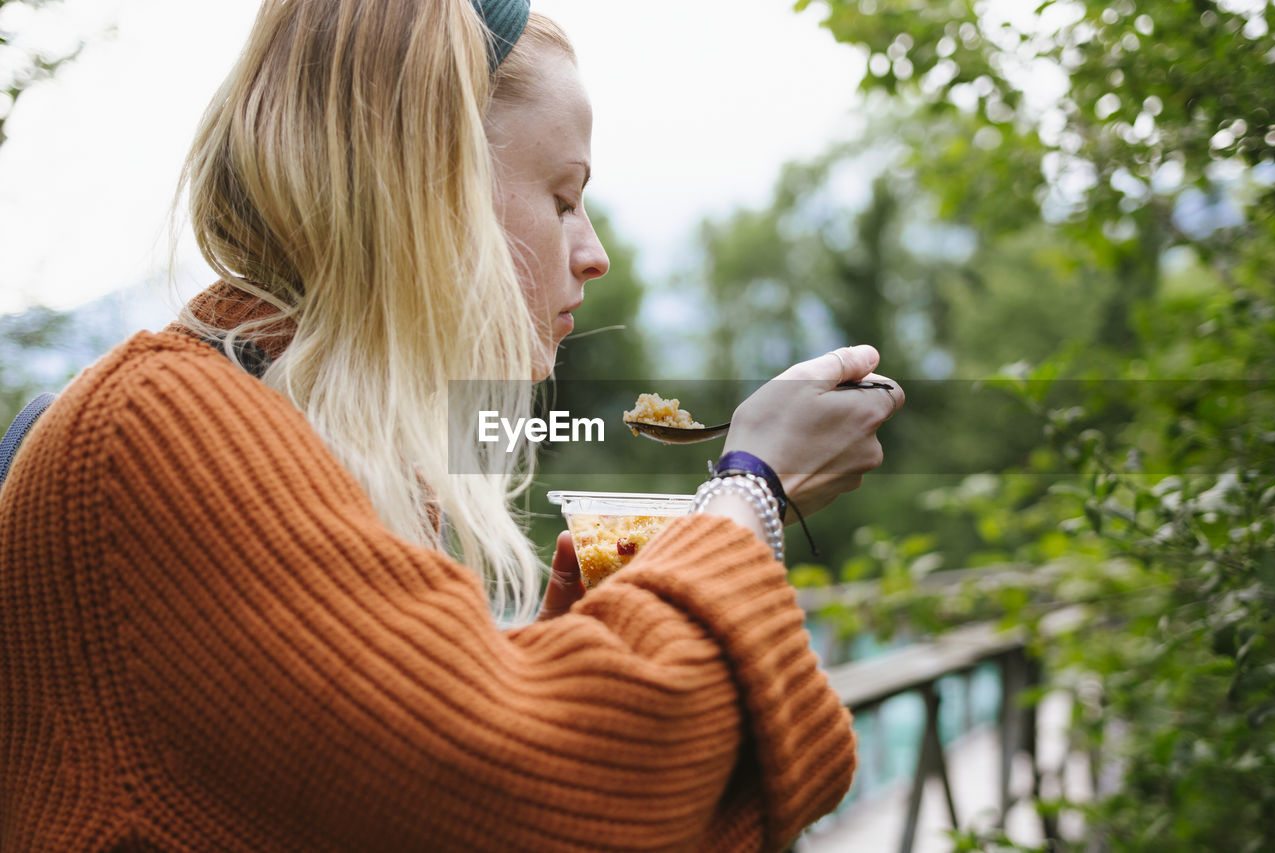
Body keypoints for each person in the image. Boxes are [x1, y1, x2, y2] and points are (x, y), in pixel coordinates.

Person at [0, 1, 904, 850]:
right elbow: (530, 789)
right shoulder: (160, 431)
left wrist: (582, 637)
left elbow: (372, 799)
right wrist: (751, 489)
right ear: (424, 187)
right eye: (561, 196)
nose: (594, 253)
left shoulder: (319, 451)